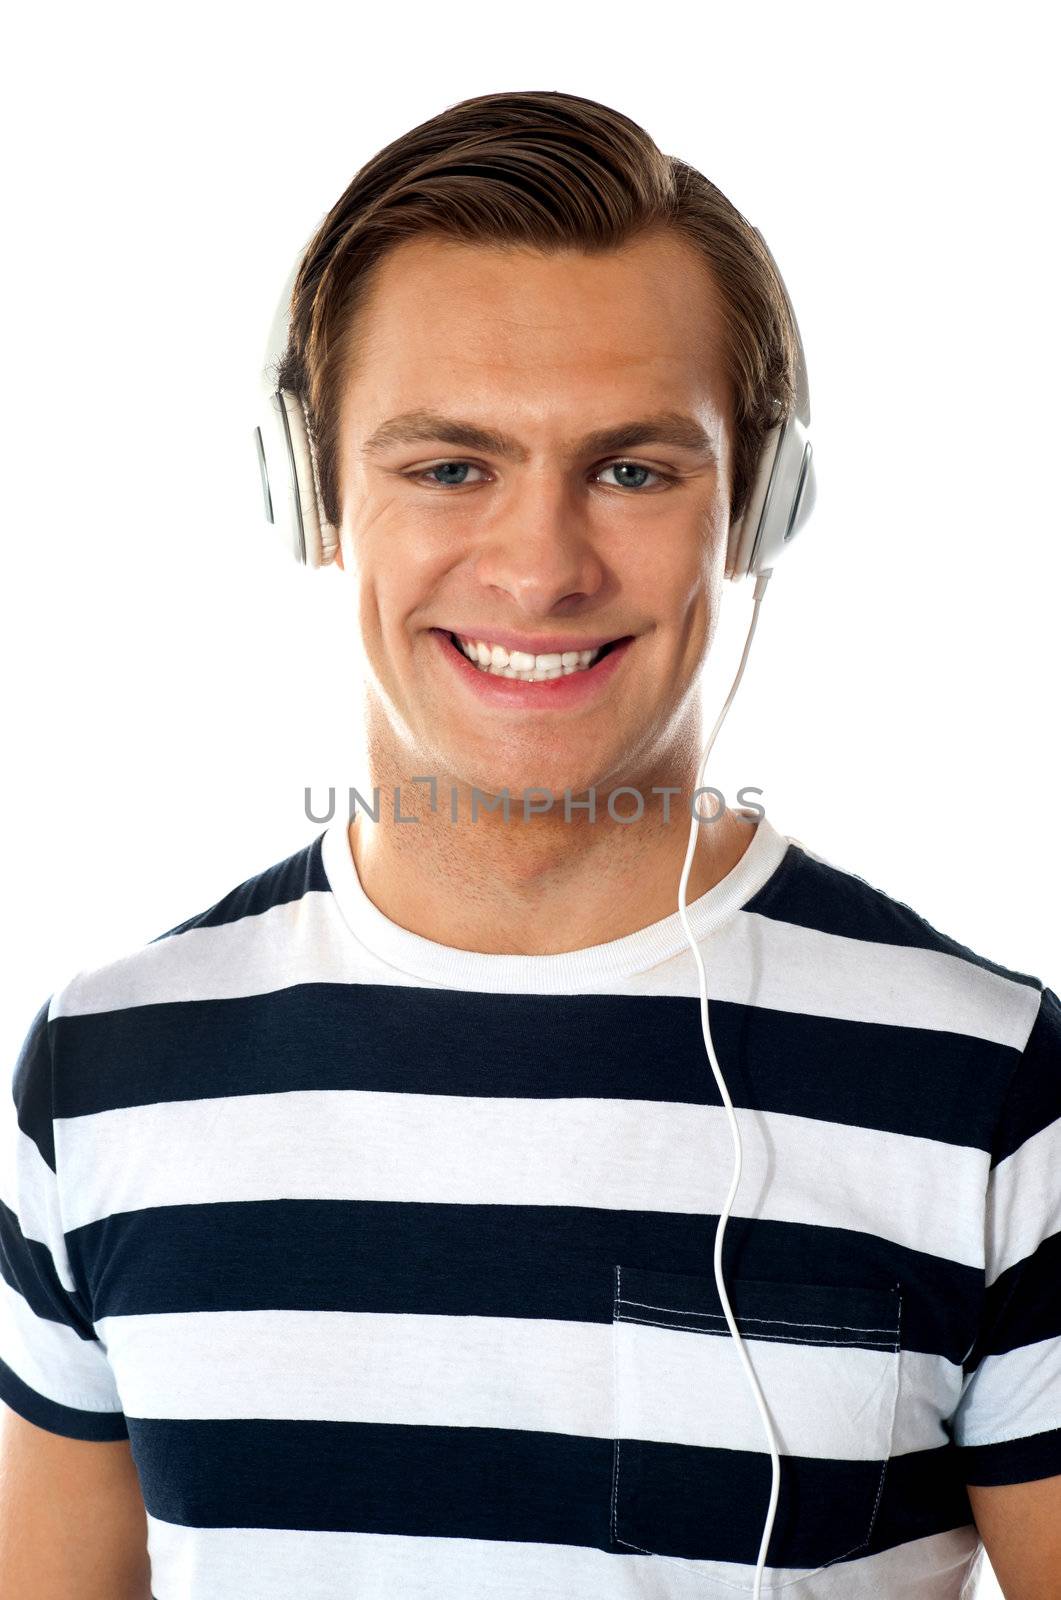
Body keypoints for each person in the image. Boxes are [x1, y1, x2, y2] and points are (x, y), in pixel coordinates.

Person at [1, 88, 1058, 1600]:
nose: (539, 568)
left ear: (760, 503)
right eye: (447, 467)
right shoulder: (106, 1072)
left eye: (632, 470)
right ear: (306, 493)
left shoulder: (992, 1087)